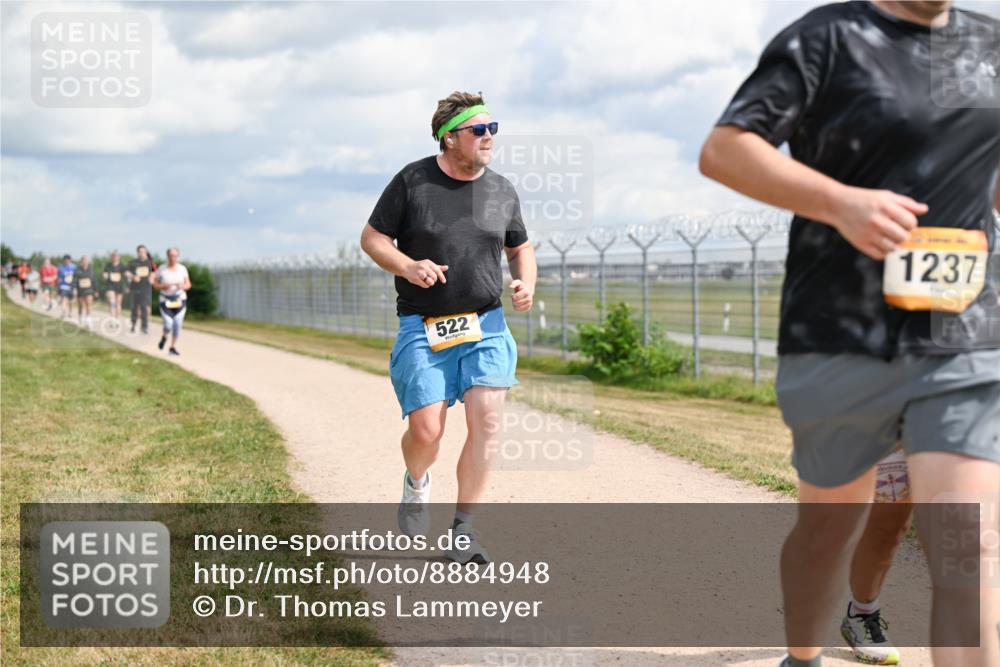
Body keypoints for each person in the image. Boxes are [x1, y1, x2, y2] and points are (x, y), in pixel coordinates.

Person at [699, 2, 999, 666]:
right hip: (841, 330)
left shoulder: (988, 45)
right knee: (829, 530)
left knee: (968, 544)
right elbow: (725, 149)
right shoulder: (828, 37)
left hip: (962, 332)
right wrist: (843, 203)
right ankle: (802, 654)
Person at [360, 91, 537, 564]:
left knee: (489, 422)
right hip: (425, 325)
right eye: (478, 130)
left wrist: (525, 285)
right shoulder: (413, 182)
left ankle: (464, 530)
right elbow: (373, 237)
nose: (488, 138)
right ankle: (416, 483)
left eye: (492, 129)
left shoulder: (500, 190)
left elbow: (520, 248)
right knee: (426, 431)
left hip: (487, 323)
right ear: (449, 137)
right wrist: (406, 265)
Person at [152, 247, 191, 356]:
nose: (173, 258)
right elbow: (155, 284)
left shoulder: (182, 269)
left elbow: (188, 285)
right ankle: (164, 336)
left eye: (175, 256)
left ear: (178, 257)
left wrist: (182, 286)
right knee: (168, 324)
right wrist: (162, 286)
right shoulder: (162, 269)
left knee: (177, 324)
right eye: (171, 256)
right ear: (167, 256)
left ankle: (172, 347)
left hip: (180, 300)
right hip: (165, 300)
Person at [126, 245, 155, 334]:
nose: (142, 253)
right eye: (140, 251)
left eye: (143, 251)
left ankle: (144, 326)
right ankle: (133, 325)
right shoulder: (133, 262)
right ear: (137, 252)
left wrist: (152, 277)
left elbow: (155, 272)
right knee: (134, 308)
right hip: (134, 288)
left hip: (145, 289)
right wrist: (133, 276)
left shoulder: (150, 263)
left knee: (144, 307)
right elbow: (126, 272)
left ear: (146, 252)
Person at [102, 251, 127, 321]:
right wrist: (104, 276)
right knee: (112, 301)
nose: (115, 258)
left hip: (119, 286)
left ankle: (116, 319)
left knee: (118, 303)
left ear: (119, 257)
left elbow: (125, 276)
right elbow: (104, 275)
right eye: (114, 256)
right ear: (112, 257)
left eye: (117, 256)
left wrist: (127, 284)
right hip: (110, 286)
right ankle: (112, 317)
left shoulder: (122, 266)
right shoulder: (108, 266)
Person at [73, 256, 96, 327]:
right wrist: (74, 289)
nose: (85, 262)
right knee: (81, 305)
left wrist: (96, 290)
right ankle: (80, 318)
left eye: (86, 260)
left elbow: (94, 280)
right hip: (80, 290)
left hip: (89, 289)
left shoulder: (91, 269)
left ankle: (88, 320)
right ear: (81, 262)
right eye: (84, 261)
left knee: (89, 304)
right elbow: (75, 280)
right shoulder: (77, 270)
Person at [56, 255, 76, 319]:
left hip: (71, 286)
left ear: (70, 260)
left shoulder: (74, 267)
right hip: (63, 286)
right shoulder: (61, 268)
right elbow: (58, 277)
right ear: (64, 260)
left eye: (68, 260)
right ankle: (63, 312)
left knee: (71, 301)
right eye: (65, 260)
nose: (67, 261)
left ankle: (70, 312)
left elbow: (76, 277)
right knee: (63, 300)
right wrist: (58, 285)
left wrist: (76, 287)